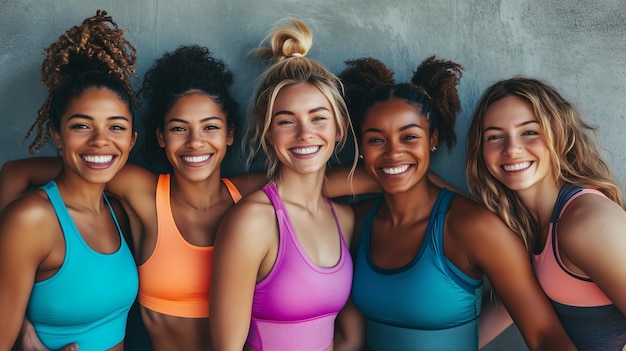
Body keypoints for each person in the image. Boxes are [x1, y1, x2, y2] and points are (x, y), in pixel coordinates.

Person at [0, 44, 268, 351]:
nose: (196, 142)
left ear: (229, 134)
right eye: (179, 128)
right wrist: (12, 277)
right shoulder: (137, 187)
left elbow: (317, 180)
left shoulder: (247, 193)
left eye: (210, 127)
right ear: (160, 136)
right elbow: (17, 173)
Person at [335, 57, 575, 350]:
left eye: (409, 136)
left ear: (432, 139)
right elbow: (291, 189)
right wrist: (378, 177)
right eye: (376, 140)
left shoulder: (473, 227)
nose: (393, 152)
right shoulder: (357, 222)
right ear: (361, 147)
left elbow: (545, 335)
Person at [209, 17, 359, 351]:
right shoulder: (252, 221)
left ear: (339, 128)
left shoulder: (345, 220)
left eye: (318, 117)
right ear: (268, 133)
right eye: (287, 121)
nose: (305, 134)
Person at [0, 10, 139, 351]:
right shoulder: (31, 219)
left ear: (131, 141)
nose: (100, 141)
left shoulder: (118, 212)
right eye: (81, 125)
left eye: (116, 127)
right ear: (57, 136)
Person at [466, 77, 626, 350]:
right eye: (494, 136)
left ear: (560, 135)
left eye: (529, 132)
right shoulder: (523, 227)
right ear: (481, 152)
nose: (512, 149)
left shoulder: (586, 222)